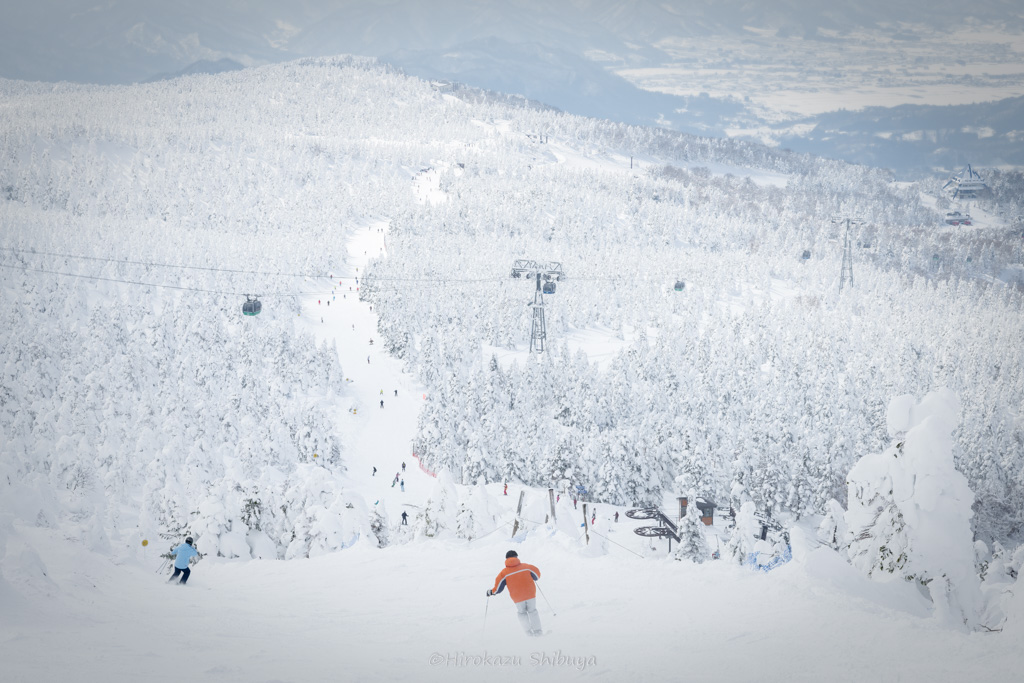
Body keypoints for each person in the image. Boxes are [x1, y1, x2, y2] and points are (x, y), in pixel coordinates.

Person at [487, 550, 543, 636]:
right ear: (517, 557)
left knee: (522, 613)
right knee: (532, 611)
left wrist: (491, 592)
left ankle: (528, 633)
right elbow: (537, 575)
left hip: (518, 598)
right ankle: (538, 632)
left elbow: (498, 588)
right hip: (530, 594)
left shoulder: (504, 573)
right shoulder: (527, 567)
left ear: (506, 559)